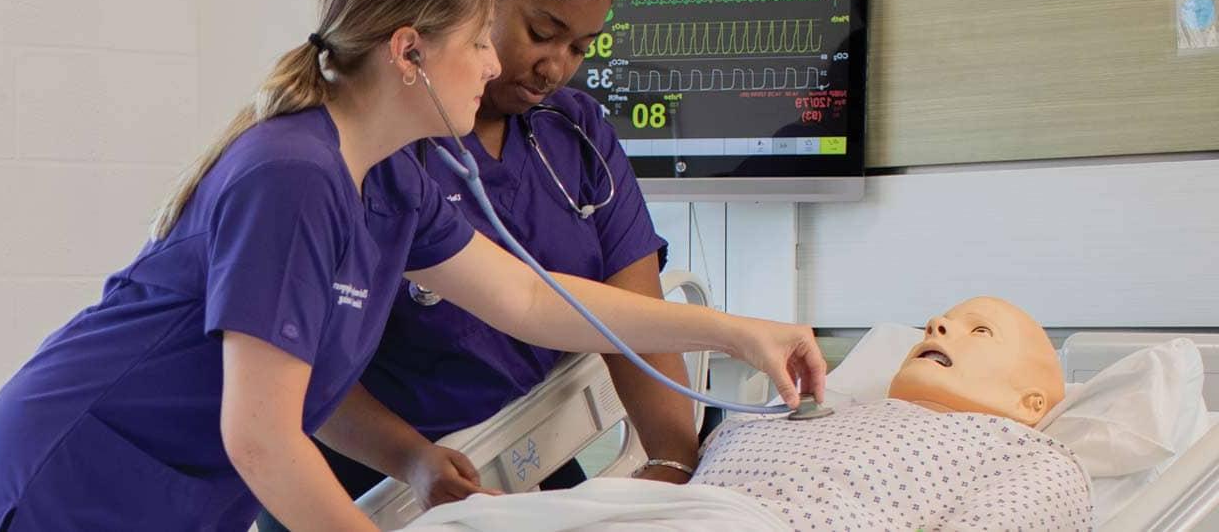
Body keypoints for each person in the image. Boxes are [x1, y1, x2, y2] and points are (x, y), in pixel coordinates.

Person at [0, 0, 825, 532]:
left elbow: (532, 300)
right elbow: (263, 432)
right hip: (66, 483)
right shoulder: (291, 174)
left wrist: (738, 332)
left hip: (167, 495)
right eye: (480, 40)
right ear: (409, 52)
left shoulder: (391, 179)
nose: (493, 64)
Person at [255, 0, 701, 528]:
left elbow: (604, 312)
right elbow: (282, 392)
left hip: (514, 453)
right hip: (362, 465)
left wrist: (679, 470)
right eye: (541, 32)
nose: (558, 66)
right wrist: (410, 457)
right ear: (479, 0)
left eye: (582, 46)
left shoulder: (572, 133)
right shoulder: (364, 155)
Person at [405, 298, 1094, 531]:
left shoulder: (1031, 456)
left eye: (979, 331)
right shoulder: (807, 409)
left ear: (1031, 403)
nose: (941, 325)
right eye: (940, 320)